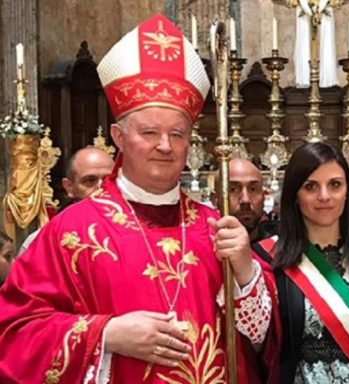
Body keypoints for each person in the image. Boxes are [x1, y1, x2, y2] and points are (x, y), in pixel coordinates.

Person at [0, 14, 275, 383]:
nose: (165, 146)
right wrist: (107, 335)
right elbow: (15, 333)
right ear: (118, 136)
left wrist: (245, 273)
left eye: (177, 134)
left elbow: (262, 341)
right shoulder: (70, 232)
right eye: (149, 132)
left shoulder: (217, 228)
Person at [258, 142, 349, 384]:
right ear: (294, 194)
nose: (324, 196)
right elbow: (264, 348)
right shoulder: (269, 257)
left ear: (348, 190)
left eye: (335, 185)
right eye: (311, 186)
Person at [19, 147, 115, 254]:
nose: (100, 187)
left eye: (109, 179)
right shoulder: (41, 242)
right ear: (69, 186)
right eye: (89, 181)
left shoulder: (135, 229)